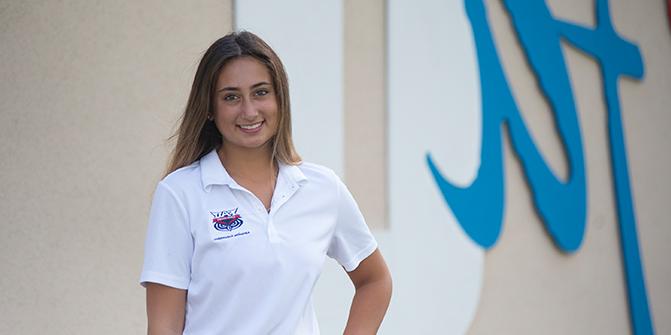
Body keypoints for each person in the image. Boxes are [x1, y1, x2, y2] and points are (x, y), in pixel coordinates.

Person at [140, 31, 392, 335]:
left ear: (279, 99)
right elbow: (163, 328)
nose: (249, 111)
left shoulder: (321, 187)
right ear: (209, 108)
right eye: (231, 97)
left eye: (261, 92)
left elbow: (375, 281)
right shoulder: (180, 194)